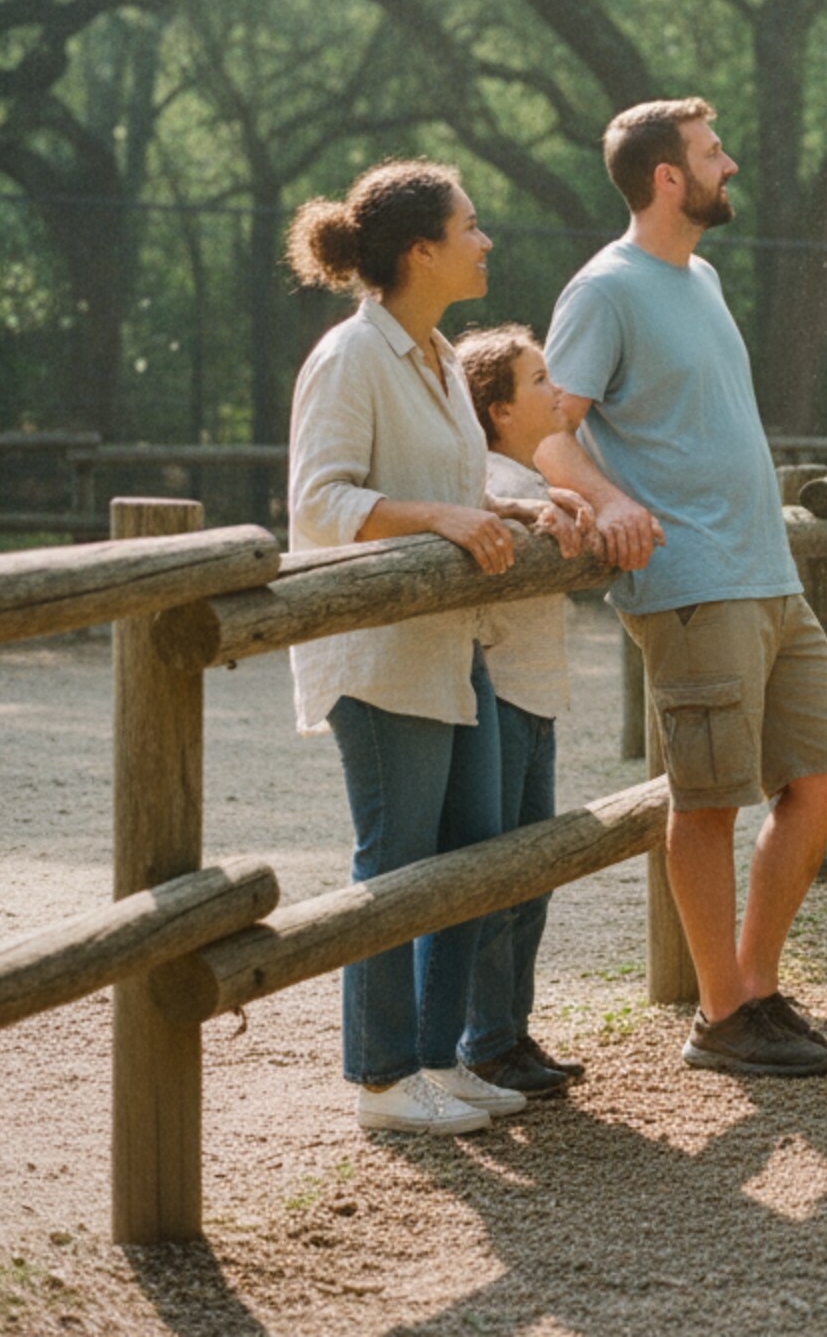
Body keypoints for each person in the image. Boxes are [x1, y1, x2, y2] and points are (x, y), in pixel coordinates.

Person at [535, 98, 827, 1078]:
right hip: (686, 579)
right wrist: (609, 500)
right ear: (667, 176)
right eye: (713, 152)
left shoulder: (703, 274)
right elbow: (548, 430)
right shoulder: (603, 289)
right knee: (709, 798)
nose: (730, 165)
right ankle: (720, 1012)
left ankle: (754, 989)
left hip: (763, 570)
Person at [286, 160, 589, 1135]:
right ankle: (381, 1077)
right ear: (421, 249)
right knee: (397, 860)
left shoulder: (430, 357)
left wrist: (508, 506)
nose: (485, 238)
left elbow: (453, 485)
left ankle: (438, 1055)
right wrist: (445, 521)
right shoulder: (351, 357)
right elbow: (318, 503)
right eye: (470, 225)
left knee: (474, 855)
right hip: (380, 658)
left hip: (453, 652)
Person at [453, 322, 600, 1100]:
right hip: (501, 695)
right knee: (502, 875)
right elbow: (498, 503)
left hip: (538, 697)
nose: (555, 388)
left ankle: (509, 1030)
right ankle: (486, 1039)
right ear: (498, 408)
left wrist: (564, 499)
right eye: (538, 379)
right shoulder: (485, 470)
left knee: (531, 878)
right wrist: (546, 508)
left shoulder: (530, 470)